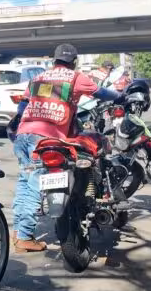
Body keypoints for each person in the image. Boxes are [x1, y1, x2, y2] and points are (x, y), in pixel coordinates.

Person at [10, 44, 120, 252]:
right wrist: (120, 97)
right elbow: (100, 92)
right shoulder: (75, 77)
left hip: (24, 134)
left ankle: (18, 232)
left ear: (55, 61)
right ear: (74, 62)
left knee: (24, 184)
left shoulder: (40, 77)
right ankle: (24, 236)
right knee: (34, 186)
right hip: (44, 139)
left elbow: (23, 105)